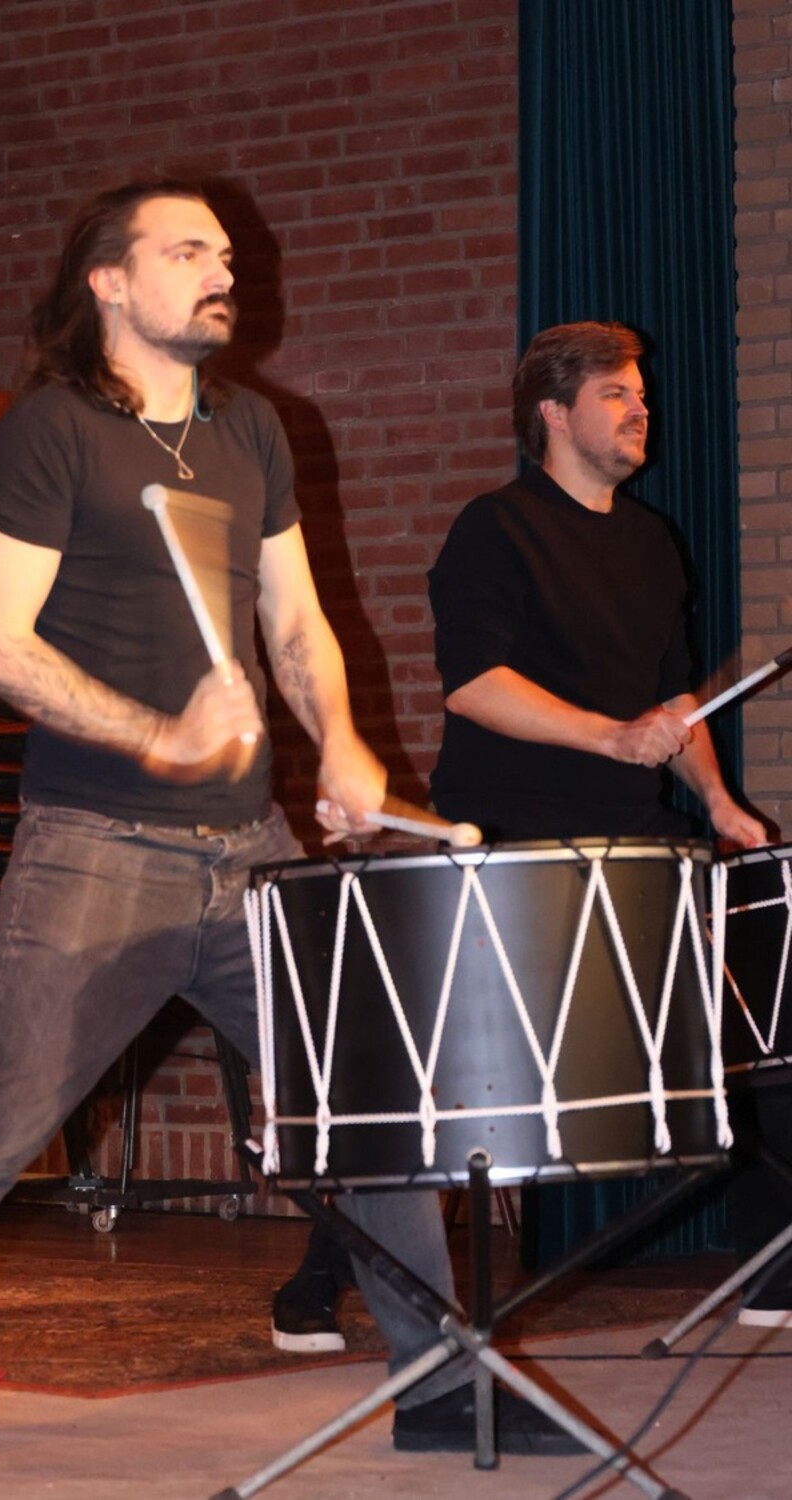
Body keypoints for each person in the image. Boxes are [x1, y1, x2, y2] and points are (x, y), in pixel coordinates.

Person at [0, 183, 580, 1500]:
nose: (223, 270)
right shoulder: (49, 431)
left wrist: (342, 744)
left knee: (368, 1108)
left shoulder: (251, 428)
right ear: (106, 281)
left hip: (250, 850)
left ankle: (443, 1385)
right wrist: (159, 735)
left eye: (225, 252)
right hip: (95, 851)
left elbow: (297, 621)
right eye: (187, 251)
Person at [275, 319, 769, 1346]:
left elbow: (673, 704)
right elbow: (473, 685)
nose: (640, 411)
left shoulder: (652, 542)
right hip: (509, 841)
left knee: (750, 1031)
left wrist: (721, 804)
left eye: (641, 395)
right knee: (451, 1096)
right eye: (616, 394)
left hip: (635, 839)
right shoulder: (494, 529)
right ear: (552, 412)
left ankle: (773, 1270)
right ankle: (325, 1272)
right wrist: (609, 735)